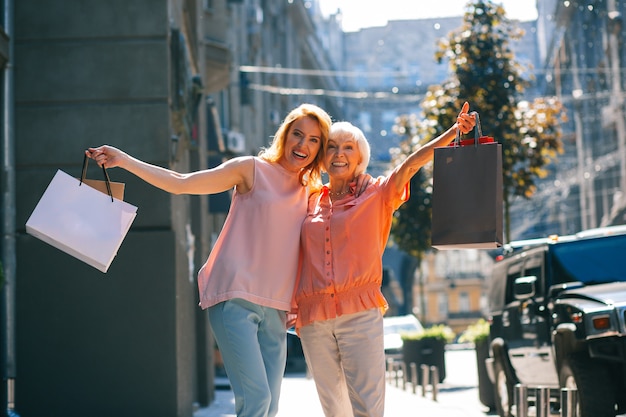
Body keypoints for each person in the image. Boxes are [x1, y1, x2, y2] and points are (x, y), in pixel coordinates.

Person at [86, 104, 367, 417]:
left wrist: (366, 181)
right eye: (297, 134)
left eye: (314, 140)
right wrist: (124, 160)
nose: (303, 145)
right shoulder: (251, 170)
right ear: (284, 136)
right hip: (235, 300)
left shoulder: (312, 192)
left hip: (276, 312)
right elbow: (181, 182)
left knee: (269, 407)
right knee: (257, 400)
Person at [294, 102, 476, 417]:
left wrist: (453, 133)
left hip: (360, 314)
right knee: (334, 411)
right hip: (315, 318)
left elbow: (411, 164)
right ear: (322, 157)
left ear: (360, 157)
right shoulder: (307, 199)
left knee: (367, 408)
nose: (339, 153)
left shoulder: (377, 194)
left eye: (348, 147)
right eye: (332, 147)